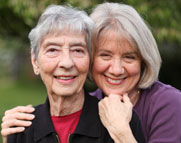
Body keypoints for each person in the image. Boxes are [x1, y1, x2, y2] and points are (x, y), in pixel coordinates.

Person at [1, 3, 145, 143]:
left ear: (89, 60)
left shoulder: (121, 122)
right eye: (53, 50)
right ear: (35, 62)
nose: (67, 63)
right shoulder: (21, 129)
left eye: (78, 50)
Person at [89, 2, 181, 143]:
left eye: (129, 57)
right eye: (105, 55)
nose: (116, 70)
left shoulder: (169, 103)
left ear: (143, 61)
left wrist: (122, 132)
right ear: (90, 58)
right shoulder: (84, 106)